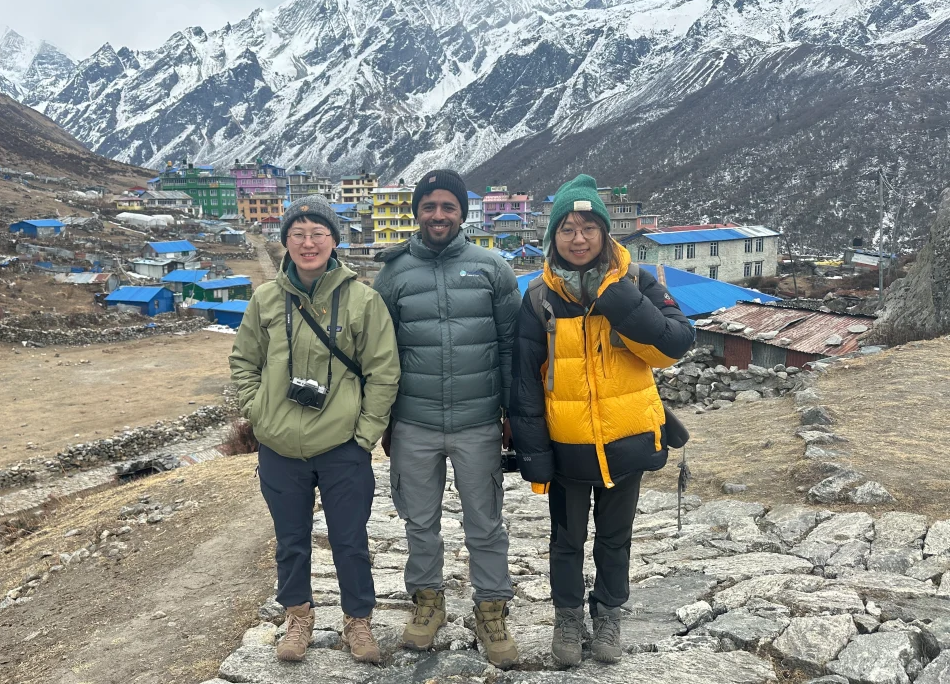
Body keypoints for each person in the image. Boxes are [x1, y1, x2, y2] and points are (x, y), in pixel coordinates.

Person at [507, 174, 694, 667]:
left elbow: (674, 345)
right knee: (566, 541)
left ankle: (608, 614)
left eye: (589, 227)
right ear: (553, 237)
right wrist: (534, 454)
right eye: (567, 228)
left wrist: (616, 299)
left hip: (626, 439)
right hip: (567, 446)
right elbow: (524, 385)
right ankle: (568, 618)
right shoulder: (539, 299)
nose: (578, 238)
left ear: (605, 234)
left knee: (616, 539)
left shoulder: (636, 284)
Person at [229, 195, 400, 664]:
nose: (308, 242)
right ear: (285, 241)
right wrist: (257, 412)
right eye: (298, 233)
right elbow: (244, 360)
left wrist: (365, 434)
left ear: (334, 241)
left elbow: (383, 372)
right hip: (279, 445)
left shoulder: (363, 299)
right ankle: (298, 617)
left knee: (350, 539)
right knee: (290, 540)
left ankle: (358, 622)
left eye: (318, 233)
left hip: (343, 445)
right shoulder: (265, 299)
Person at [372, 170, 522, 668]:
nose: (438, 215)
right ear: (417, 212)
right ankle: (427, 604)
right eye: (429, 206)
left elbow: (509, 346)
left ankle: (491, 609)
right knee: (420, 523)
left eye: (448, 206)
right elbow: (379, 353)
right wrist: (387, 421)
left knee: (486, 523)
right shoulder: (392, 275)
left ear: (462, 213)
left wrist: (510, 412)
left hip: (479, 420)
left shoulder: (492, 268)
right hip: (414, 421)